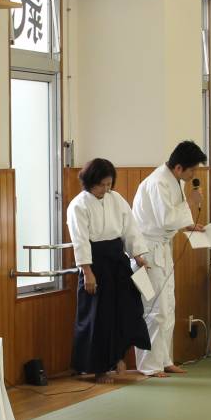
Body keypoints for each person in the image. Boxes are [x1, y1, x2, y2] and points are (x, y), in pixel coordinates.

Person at [66, 158, 149, 382]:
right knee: (98, 316)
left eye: (109, 184)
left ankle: (118, 357)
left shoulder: (116, 199)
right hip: (94, 264)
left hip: (117, 260)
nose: (105, 189)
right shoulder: (78, 205)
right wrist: (87, 272)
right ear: (89, 182)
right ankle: (99, 368)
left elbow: (130, 228)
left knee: (126, 308)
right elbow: (80, 241)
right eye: (101, 184)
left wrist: (138, 255)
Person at [132, 140, 206, 378]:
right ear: (179, 167)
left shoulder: (172, 180)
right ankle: (149, 364)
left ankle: (164, 359)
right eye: (192, 170)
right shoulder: (158, 182)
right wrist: (191, 202)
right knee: (154, 309)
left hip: (162, 249)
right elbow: (165, 220)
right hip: (146, 253)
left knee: (168, 307)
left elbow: (170, 216)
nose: (194, 174)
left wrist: (188, 224)